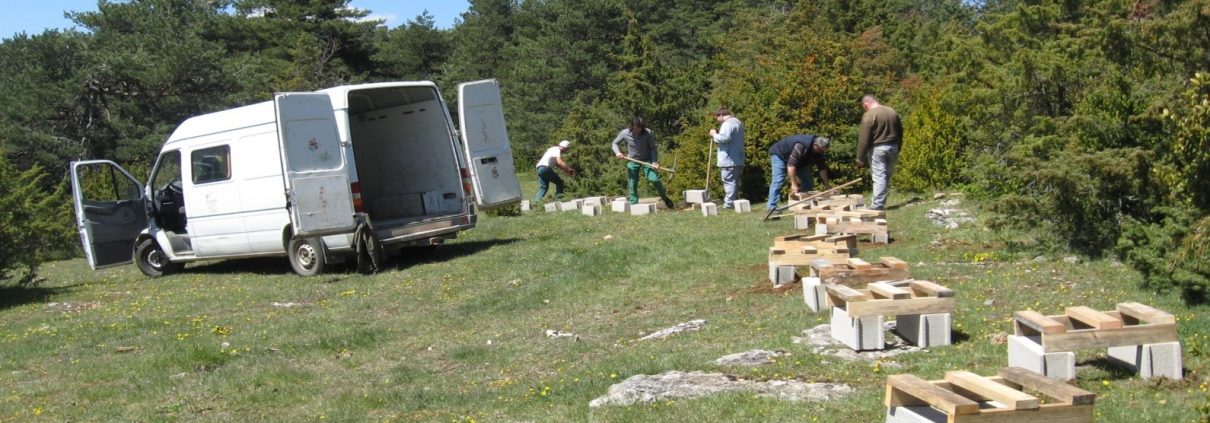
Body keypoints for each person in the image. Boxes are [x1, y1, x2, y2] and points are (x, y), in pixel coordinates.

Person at [612, 117, 675, 209]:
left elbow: (653, 148)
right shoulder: (625, 133)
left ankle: (665, 199)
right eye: (637, 127)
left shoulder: (648, 133)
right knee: (632, 182)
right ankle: (634, 205)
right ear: (632, 126)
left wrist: (654, 161)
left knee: (654, 179)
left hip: (647, 160)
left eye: (641, 127)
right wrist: (618, 153)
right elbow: (614, 143)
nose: (639, 129)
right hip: (632, 160)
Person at [857, 94, 902, 210]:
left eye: (864, 107)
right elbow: (900, 131)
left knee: (879, 176)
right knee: (886, 175)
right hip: (893, 146)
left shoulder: (869, 115)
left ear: (866, 104)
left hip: (878, 149)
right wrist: (898, 147)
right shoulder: (892, 111)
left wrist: (860, 158)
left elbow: (864, 139)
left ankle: (877, 205)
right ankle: (879, 202)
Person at [766, 134, 830, 210]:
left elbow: (822, 168)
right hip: (780, 155)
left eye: (822, 151)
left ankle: (805, 204)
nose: (820, 152)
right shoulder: (801, 145)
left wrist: (827, 185)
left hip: (799, 160)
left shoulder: (819, 150)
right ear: (815, 145)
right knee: (778, 179)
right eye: (820, 150)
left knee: (808, 181)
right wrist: (794, 184)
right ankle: (771, 207)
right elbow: (791, 166)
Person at [709, 107, 745, 208]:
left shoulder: (727, 124)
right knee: (734, 181)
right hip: (738, 158)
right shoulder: (738, 122)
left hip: (729, 159)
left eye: (717, 117)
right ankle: (733, 202)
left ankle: (729, 204)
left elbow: (725, 138)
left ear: (721, 115)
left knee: (729, 182)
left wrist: (714, 135)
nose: (717, 120)